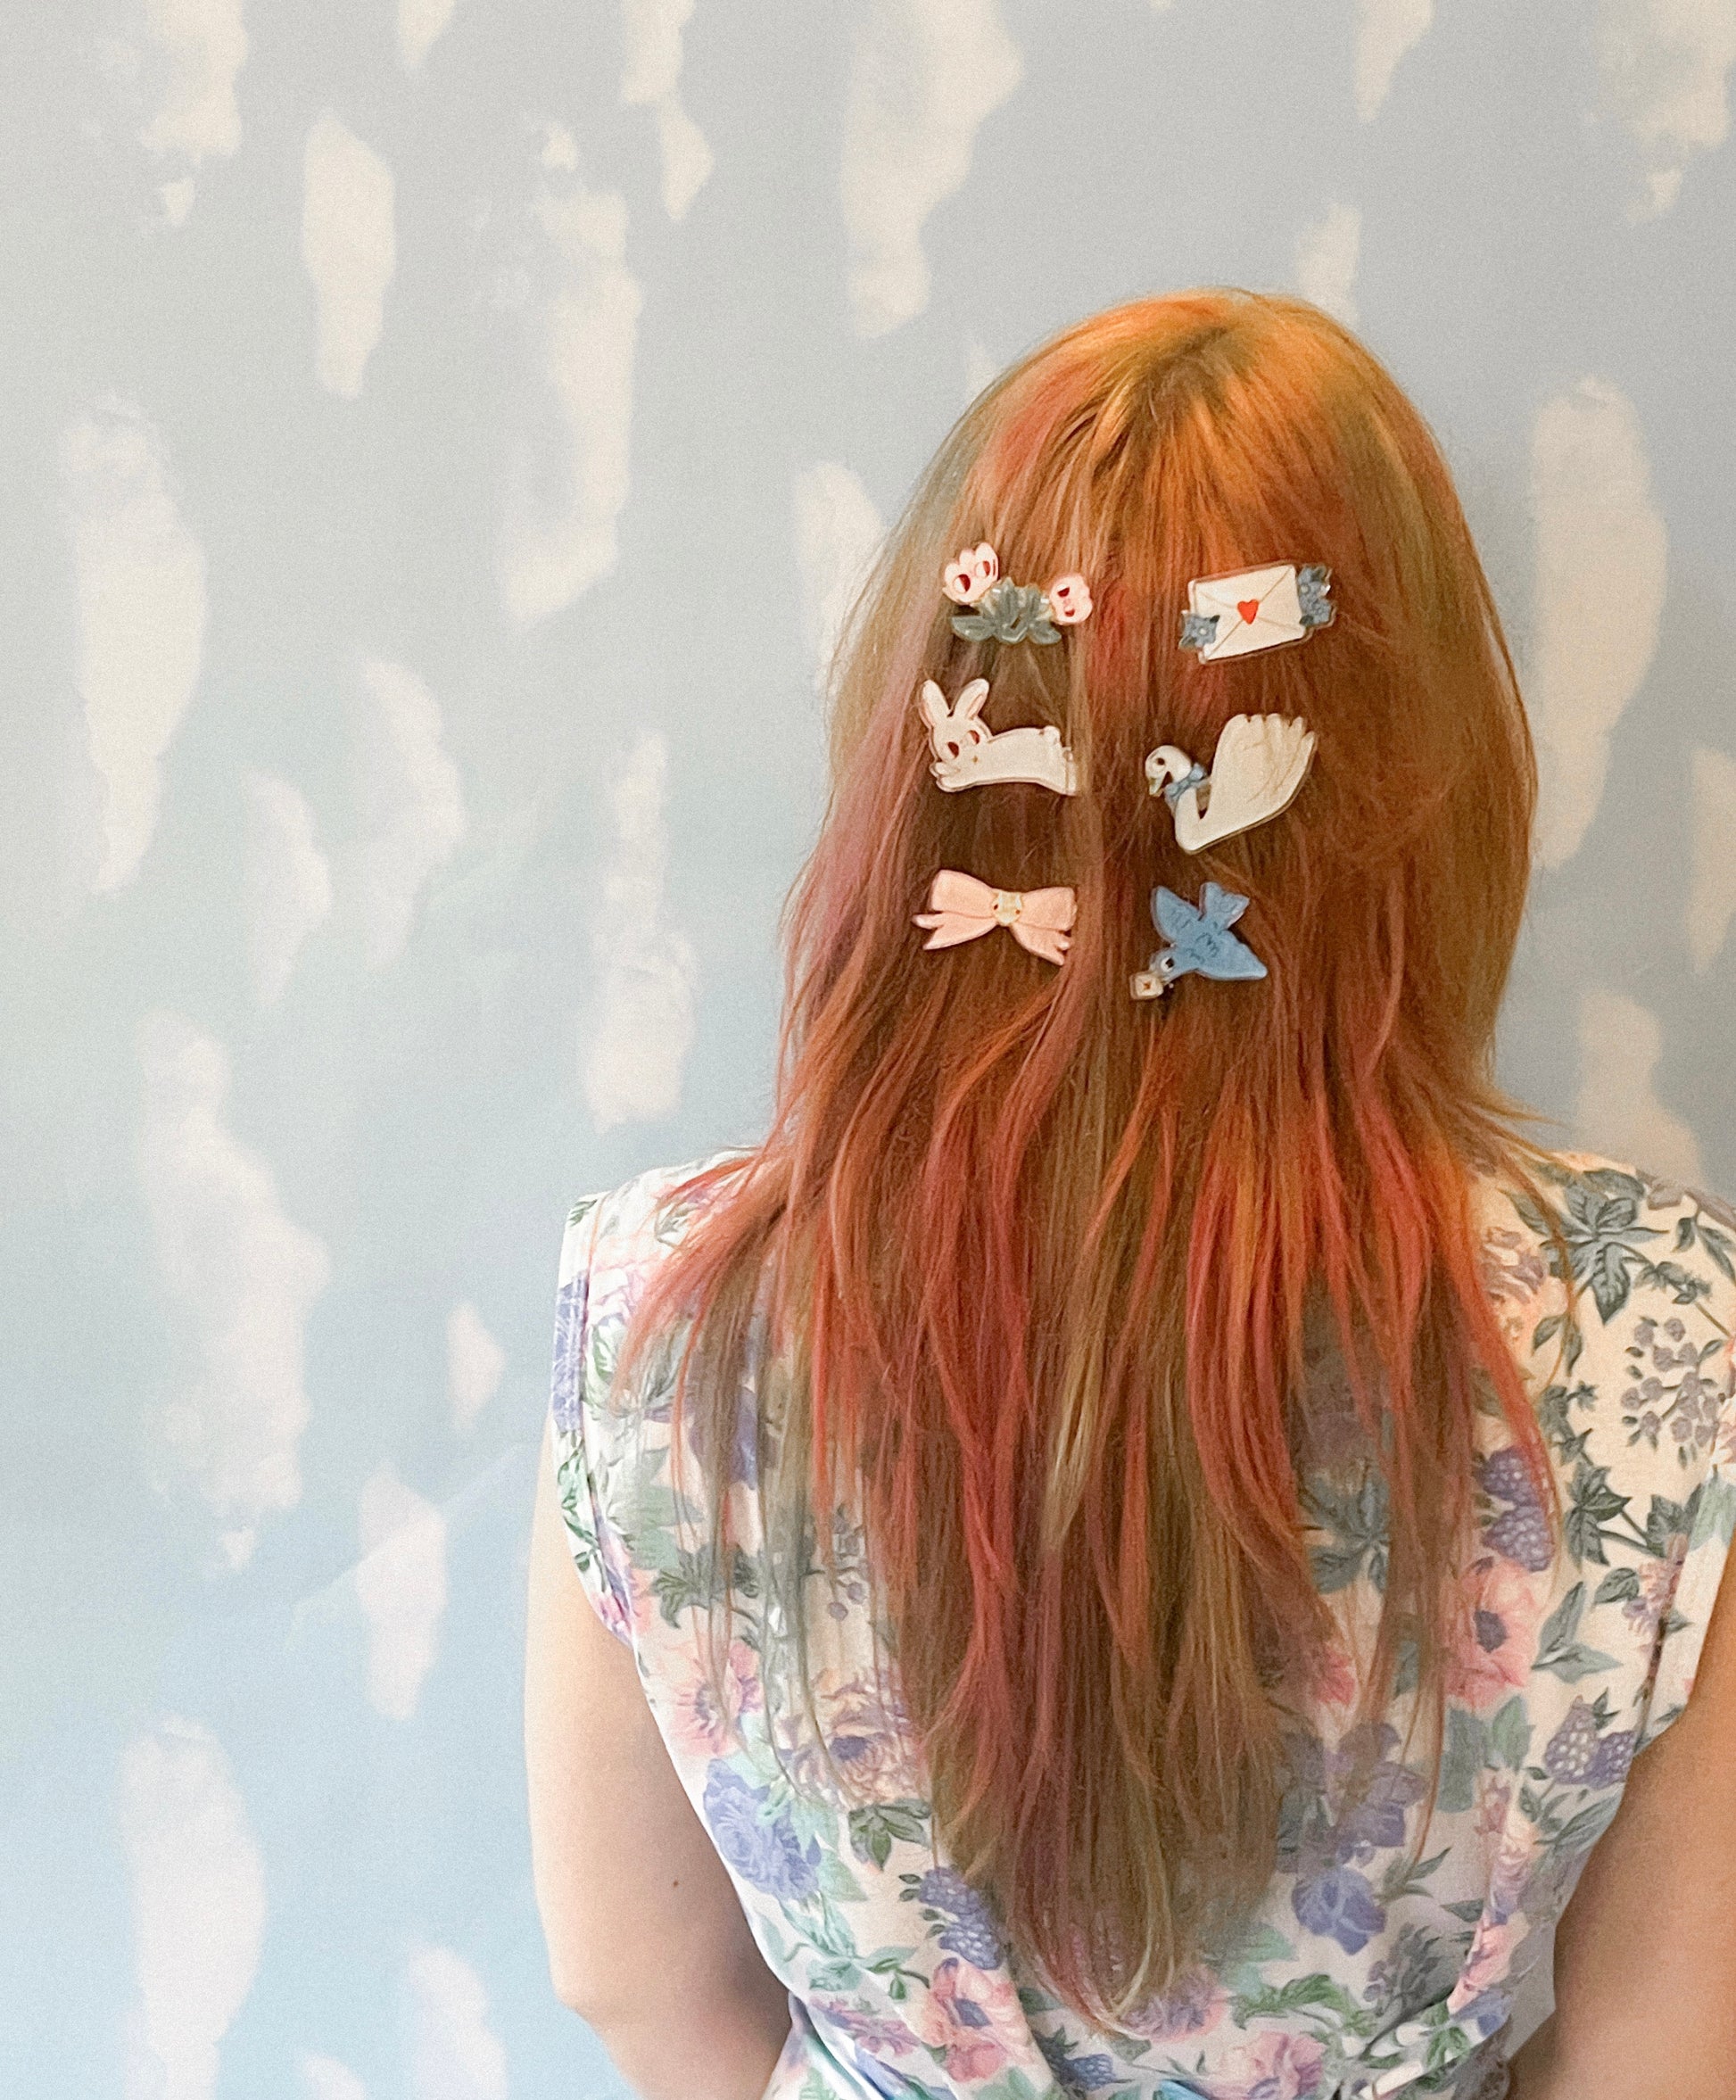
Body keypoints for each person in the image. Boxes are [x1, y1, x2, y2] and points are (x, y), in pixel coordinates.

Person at [522, 288, 1736, 2100]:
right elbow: (1667, 2054)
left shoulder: (664, 1310)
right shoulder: (1661, 1335)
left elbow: (627, 1977)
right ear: (1423, 775)